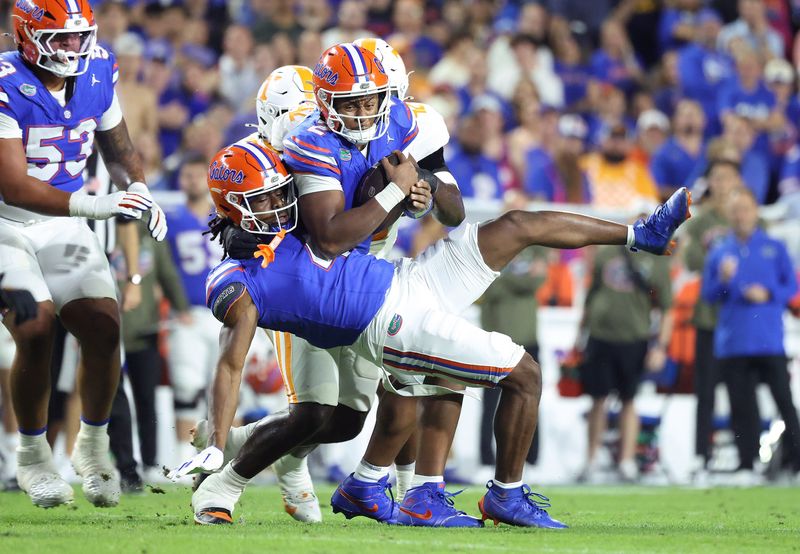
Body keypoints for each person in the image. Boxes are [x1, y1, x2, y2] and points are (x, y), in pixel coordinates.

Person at [183, 139, 689, 527]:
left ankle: (639, 234)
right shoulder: (236, 280)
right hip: (387, 325)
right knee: (524, 375)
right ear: (233, 207)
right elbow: (230, 363)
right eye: (263, 199)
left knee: (515, 225)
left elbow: (345, 213)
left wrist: (413, 194)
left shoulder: (295, 222)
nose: (279, 205)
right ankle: (504, 494)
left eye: (278, 194)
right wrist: (217, 434)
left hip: (407, 278)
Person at [0, 0, 167, 508]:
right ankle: (31, 458)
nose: (74, 47)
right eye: (62, 38)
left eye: (80, 36)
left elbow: (117, 150)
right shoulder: (6, 80)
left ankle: (92, 450)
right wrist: (99, 203)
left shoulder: (99, 69)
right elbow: (12, 185)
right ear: (28, 37)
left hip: (65, 223)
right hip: (7, 224)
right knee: (34, 327)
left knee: (103, 324)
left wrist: (139, 189)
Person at [701, 188, 800, 484]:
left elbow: (792, 289)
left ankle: (796, 463)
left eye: (745, 209)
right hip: (735, 341)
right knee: (740, 405)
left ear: (755, 211)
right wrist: (724, 281)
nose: (741, 216)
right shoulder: (720, 252)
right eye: (735, 211)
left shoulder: (774, 247)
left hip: (769, 338)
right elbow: (708, 295)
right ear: (729, 215)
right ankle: (747, 463)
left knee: (784, 401)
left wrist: (768, 293)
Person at [679, 160, 741, 482]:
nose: (721, 184)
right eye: (716, 178)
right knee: (705, 392)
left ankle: (745, 459)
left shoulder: (747, 219)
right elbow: (690, 259)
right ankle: (701, 456)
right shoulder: (701, 221)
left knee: (739, 391)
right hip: (708, 317)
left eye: (727, 178)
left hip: (740, 319)